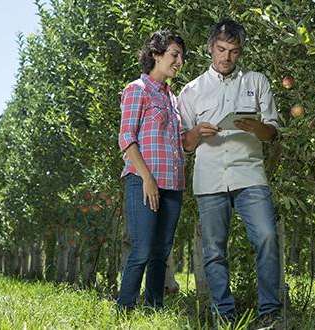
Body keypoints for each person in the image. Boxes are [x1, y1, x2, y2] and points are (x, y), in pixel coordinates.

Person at [178, 19, 282, 324]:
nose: (226, 57)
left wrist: (258, 128)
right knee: (213, 251)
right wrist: (197, 133)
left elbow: (273, 134)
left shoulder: (257, 82)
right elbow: (184, 143)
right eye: (221, 49)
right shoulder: (192, 90)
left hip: (249, 175)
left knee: (266, 237)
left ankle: (269, 314)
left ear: (241, 52)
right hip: (209, 179)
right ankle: (225, 316)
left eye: (234, 51)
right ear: (210, 47)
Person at [117, 29, 186, 311]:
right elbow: (126, 138)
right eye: (174, 54)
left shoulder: (172, 99)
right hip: (143, 181)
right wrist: (147, 178)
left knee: (161, 253)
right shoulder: (138, 90)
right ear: (156, 54)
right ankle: (124, 309)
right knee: (142, 249)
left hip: (173, 185)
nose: (179, 61)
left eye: (182, 56)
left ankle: (154, 309)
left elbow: (178, 141)